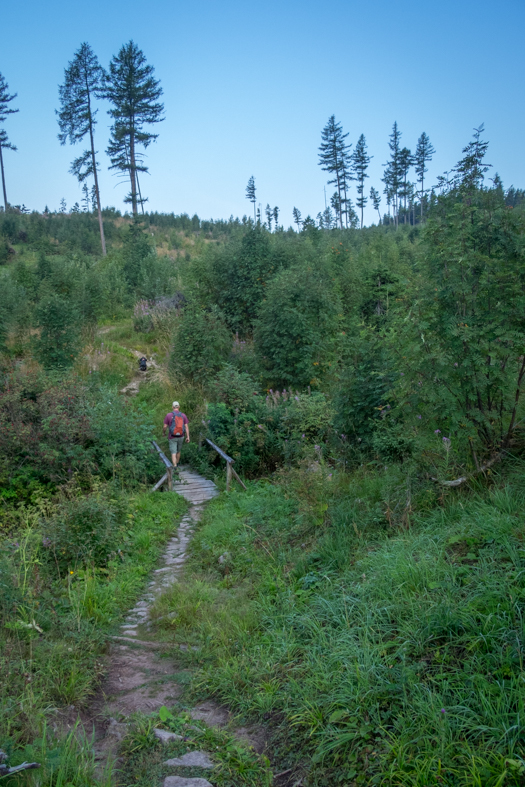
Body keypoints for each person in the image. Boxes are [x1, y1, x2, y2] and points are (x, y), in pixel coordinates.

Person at [163, 401, 190, 469]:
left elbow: (165, 426)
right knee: (178, 451)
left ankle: (175, 467)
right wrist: (188, 437)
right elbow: (186, 427)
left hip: (172, 437)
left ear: (172, 407)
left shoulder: (168, 415)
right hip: (181, 436)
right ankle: (177, 464)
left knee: (173, 452)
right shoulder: (183, 415)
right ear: (179, 407)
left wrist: (164, 433)